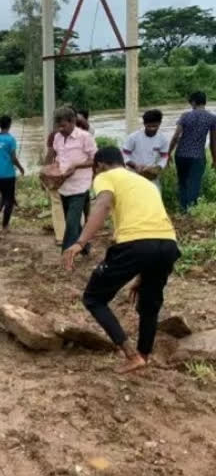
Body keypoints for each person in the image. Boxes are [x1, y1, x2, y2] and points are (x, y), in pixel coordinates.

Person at [63, 147, 180, 374]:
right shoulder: (144, 182)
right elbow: (151, 225)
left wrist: (80, 242)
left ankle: (131, 354)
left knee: (93, 298)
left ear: (100, 166)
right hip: (168, 243)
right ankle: (143, 355)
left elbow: (103, 205)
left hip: (134, 244)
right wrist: (142, 276)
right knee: (149, 303)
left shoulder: (106, 176)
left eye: (95, 172)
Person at [49, 107, 97, 254]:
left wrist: (76, 166)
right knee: (74, 224)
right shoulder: (57, 137)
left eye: (63, 125)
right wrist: (53, 169)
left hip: (80, 186)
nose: (60, 129)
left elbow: (96, 159)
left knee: (71, 223)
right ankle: (85, 247)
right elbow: (58, 156)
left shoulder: (85, 137)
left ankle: (67, 254)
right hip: (63, 186)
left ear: (72, 122)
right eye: (58, 126)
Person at [168, 91, 216, 211]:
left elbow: (176, 137)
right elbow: (213, 142)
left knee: (182, 182)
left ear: (193, 102)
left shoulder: (185, 116)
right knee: (194, 183)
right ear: (205, 102)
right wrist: (215, 159)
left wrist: (168, 153)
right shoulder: (212, 118)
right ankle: (191, 209)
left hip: (181, 155)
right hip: (197, 156)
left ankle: (183, 209)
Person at [0, 115, 26, 231]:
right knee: (9, 199)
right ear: (9, 125)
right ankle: (5, 226)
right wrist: (20, 168)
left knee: (4, 196)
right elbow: (13, 158)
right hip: (8, 174)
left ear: (0, 125)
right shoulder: (10, 139)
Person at [122, 109, 170, 190]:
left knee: (154, 197)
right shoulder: (134, 137)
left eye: (155, 126)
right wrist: (135, 165)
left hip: (152, 175)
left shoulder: (163, 139)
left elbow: (164, 157)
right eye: (149, 126)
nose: (152, 129)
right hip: (134, 174)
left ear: (160, 124)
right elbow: (124, 154)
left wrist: (158, 167)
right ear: (144, 124)